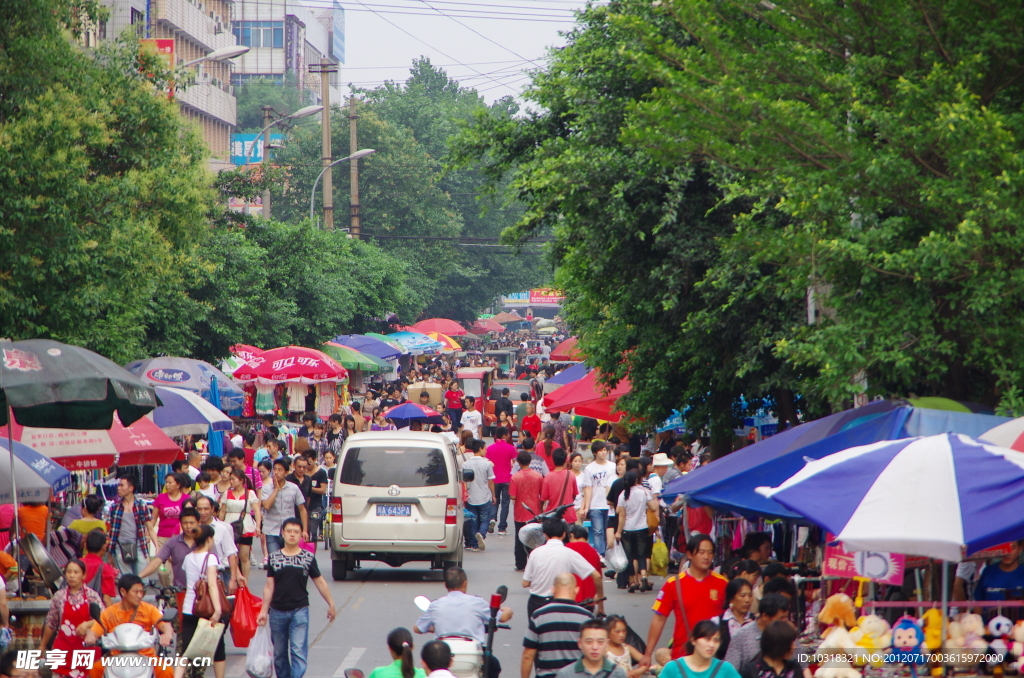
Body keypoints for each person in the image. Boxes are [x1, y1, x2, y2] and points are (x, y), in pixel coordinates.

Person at [257, 518, 336, 678]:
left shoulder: (308, 557)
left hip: (299, 611)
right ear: (283, 533)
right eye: (289, 531)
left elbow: (320, 581)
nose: (292, 535)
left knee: (298, 651)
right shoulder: (274, 558)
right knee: (279, 654)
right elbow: (269, 586)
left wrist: (331, 604)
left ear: (302, 535)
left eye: (296, 532)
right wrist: (263, 611)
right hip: (277, 612)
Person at [643, 534, 728, 664]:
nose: (706, 557)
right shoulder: (673, 584)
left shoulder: (722, 584)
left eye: (710, 553)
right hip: (682, 657)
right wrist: (648, 654)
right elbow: (659, 618)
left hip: (714, 658)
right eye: (701, 552)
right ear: (689, 554)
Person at [414, 567, 512, 678]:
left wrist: (432, 628)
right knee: (494, 666)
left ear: (445, 585)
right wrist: (508, 611)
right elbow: (502, 617)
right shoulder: (477, 602)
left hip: (441, 656)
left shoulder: (436, 605)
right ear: (465, 583)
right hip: (472, 658)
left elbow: (418, 628)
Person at [84, 575, 174, 678]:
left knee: (166, 670)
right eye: (136, 592)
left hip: (147, 657)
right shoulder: (109, 613)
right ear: (123, 592)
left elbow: (165, 625)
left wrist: (167, 634)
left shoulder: (149, 610)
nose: (139, 595)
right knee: (96, 669)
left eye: (141, 592)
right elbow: (96, 630)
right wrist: (91, 637)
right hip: (116, 658)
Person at [523, 519, 604, 617]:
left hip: (536, 603)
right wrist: (600, 597)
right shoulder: (569, 553)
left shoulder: (535, 553)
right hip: (560, 604)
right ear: (564, 534)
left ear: (545, 535)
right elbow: (597, 576)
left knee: (535, 630)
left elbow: (525, 583)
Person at [174, 525, 225, 678]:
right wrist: (217, 610)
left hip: (189, 607)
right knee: (218, 648)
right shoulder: (210, 558)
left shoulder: (188, 557)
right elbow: (211, 585)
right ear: (209, 539)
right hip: (206, 609)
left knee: (186, 650)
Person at [522, 573, 594, 678]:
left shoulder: (539, 615)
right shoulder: (587, 617)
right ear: (576, 590)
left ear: (553, 590)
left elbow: (528, 656)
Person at [39, 560, 103, 675]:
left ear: (83, 575)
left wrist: (87, 625)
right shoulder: (59, 596)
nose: (72, 575)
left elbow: (103, 618)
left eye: (76, 572)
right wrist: (42, 645)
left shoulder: (91, 595)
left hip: (85, 650)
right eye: (69, 572)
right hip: (63, 648)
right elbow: (51, 623)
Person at [722, 594, 792, 671]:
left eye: (786, 617)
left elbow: (803, 660)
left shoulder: (788, 632)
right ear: (765, 616)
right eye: (781, 618)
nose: (785, 621)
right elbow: (729, 672)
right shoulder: (741, 636)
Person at [614, 471, 657, 593]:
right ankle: (643, 576)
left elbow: (621, 515)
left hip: (627, 529)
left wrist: (618, 532)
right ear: (636, 481)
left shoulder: (622, 495)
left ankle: (632, 582)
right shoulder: (642, 492)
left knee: (630, 557)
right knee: (641, 554)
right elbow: (653, 508)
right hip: (642, 528)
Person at [107, 474, 157, 576]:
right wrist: (110, 553)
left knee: (142, 580)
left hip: (139, 546)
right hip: (120, 547)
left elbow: (150, 528)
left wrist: (157, 546)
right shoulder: (114, 507)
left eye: (121, 485)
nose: (118, 488)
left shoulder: (141, 506)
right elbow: (111, 531)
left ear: (130, 488)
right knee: (126, 581)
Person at [139, 507, 200, 589]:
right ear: (180, 523)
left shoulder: (205, 542)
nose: (188, 526)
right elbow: (157, 561)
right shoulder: (173, 542)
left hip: (201, 590)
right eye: (185, 523)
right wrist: (139, 577)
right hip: (180, 589)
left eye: (192, 523)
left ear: (198, 523)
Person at [193, 495, 243, 594]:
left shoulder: (222, 528)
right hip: (197, 574)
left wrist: (234, 578)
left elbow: (231, 554)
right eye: (199, 509)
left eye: (206, 509)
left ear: (212, 509)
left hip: (221, 574)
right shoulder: (192, 529)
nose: (202, 512)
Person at [659, 621, 742, 678]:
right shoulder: (673, 668)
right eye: (707, 639)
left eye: (716, 640)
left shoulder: (725, 668)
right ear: (693, 640)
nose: (712, 645)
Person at [150, 472, 190, 586]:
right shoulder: (160, 498)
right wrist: (148, 534)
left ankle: (176, 593)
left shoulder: (186, 499)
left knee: (179, 569)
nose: (167, 485)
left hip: (180, 539)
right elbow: (153, 519)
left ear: (178, 485)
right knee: (163, 571)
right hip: (163, 538)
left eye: (170, 482)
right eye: (166, 482)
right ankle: (167, 590)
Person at [262, 457, 308, 554]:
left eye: (280, 470)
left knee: (289, 559)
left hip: (290, 531)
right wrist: (275, 490)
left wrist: (304, 530)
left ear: (286, 472)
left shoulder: (293, 488)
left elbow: (302, 509)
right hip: (271, 530)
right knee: (274, 559)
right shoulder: (266, 488)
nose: (276, 472)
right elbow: (266, 506)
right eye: (275, 469)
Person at [220, 469, 260, 582]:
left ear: (241, 480)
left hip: (245, 525)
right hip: (229, 525)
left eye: (233, 479)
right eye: (230, 479)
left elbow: (257, 511)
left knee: (244, 556)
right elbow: (222, 511)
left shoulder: (250, 493)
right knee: (232, 555)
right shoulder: (227, 493)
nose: (231, 481)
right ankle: (234, 578)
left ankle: (245, 582)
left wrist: (257, 526)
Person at [553, 619, 629, 678]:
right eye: (589, 642)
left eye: (600, 642)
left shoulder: (618, 673)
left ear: (607, 643)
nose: (595, 647)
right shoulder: (566, 674)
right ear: (580, 643)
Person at [510, 451, 544, 571]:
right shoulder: (538, 477)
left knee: (519, 538)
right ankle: (535, 564)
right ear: (530, 461)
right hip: (535, 512)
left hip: (520, 512)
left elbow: (513, 496)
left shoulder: (515, 477)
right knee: (535, 539)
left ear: (518, 463)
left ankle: (520, 564)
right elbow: (543, 495)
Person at [738, 620, 806, 678]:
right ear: (778, 645)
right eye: (790, 644)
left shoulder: (794, 668)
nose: (794, 647)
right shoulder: (751, 671)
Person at [580, 442, 615, 555]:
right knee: (598, 531)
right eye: (600, 450)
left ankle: (609, 554)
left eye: (605, 449)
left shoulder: (612, 466)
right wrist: (586, 507)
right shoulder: (589, 468)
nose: (603, 452)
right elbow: (588, 489)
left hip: (610, 504)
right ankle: (601, 555)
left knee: (608, 531)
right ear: (595, 453)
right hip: (596, 504)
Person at [463, 439, 496, 552]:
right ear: (480, 449)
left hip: (471, 496)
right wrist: (494, 495)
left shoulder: (466, 464)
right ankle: (481, 533)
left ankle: (474, 544)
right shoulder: (487, 464)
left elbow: (464, 482)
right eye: (485, 449)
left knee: (473, 520)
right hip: (484, 496)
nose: (486, 451)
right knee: (485, 518)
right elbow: (491, 481)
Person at [711, 578, 755, 659]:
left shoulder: (756, 621)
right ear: (731, 599)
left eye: (750, 595)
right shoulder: (717, 622)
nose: (747, 600)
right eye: (743, 595)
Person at [487, 427, 519, 536]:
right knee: (505, 503)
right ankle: (502, 527)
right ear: (504, 436)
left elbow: (488, 463)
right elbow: (515, 464)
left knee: (494, 501)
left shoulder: (489, 448)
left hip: (494, 479)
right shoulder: (511, 448)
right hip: (506, 479)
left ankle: (492, 518)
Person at [974, 540, 1024, 604]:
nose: (1007, 552)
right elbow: (978, 602)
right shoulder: (988, 572)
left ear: (1020, 549)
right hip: (989, 613)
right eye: (1004, 547)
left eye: (1012, 548)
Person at [566, 525, 601, 610]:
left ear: (572, 535)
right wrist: (601, 607)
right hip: (589, 600)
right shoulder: (594, 552)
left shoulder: (567, 549)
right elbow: (598, 578)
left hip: (569, 598)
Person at [540, 449, 579, 524]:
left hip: (552, 516)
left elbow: (544, 498)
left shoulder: (548, 477)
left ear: (553, 460)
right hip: (568, 515)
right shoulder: (571, 475)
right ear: (565, 460)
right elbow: (574, 495)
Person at [81, 530, 118, 605]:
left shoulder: (76, 564)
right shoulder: (105, 568)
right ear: (104, 547)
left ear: (85, 546)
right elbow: (106, 598)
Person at [303, 451, 329, 543]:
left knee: (313, 533)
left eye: (309, 462)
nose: (307, 465)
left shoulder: (321, 473)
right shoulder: (303, 473)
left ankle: (312, 554)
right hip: (303, 506)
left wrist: (310, 489)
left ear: (314, 460)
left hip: (315, 506)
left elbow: (323, 490)